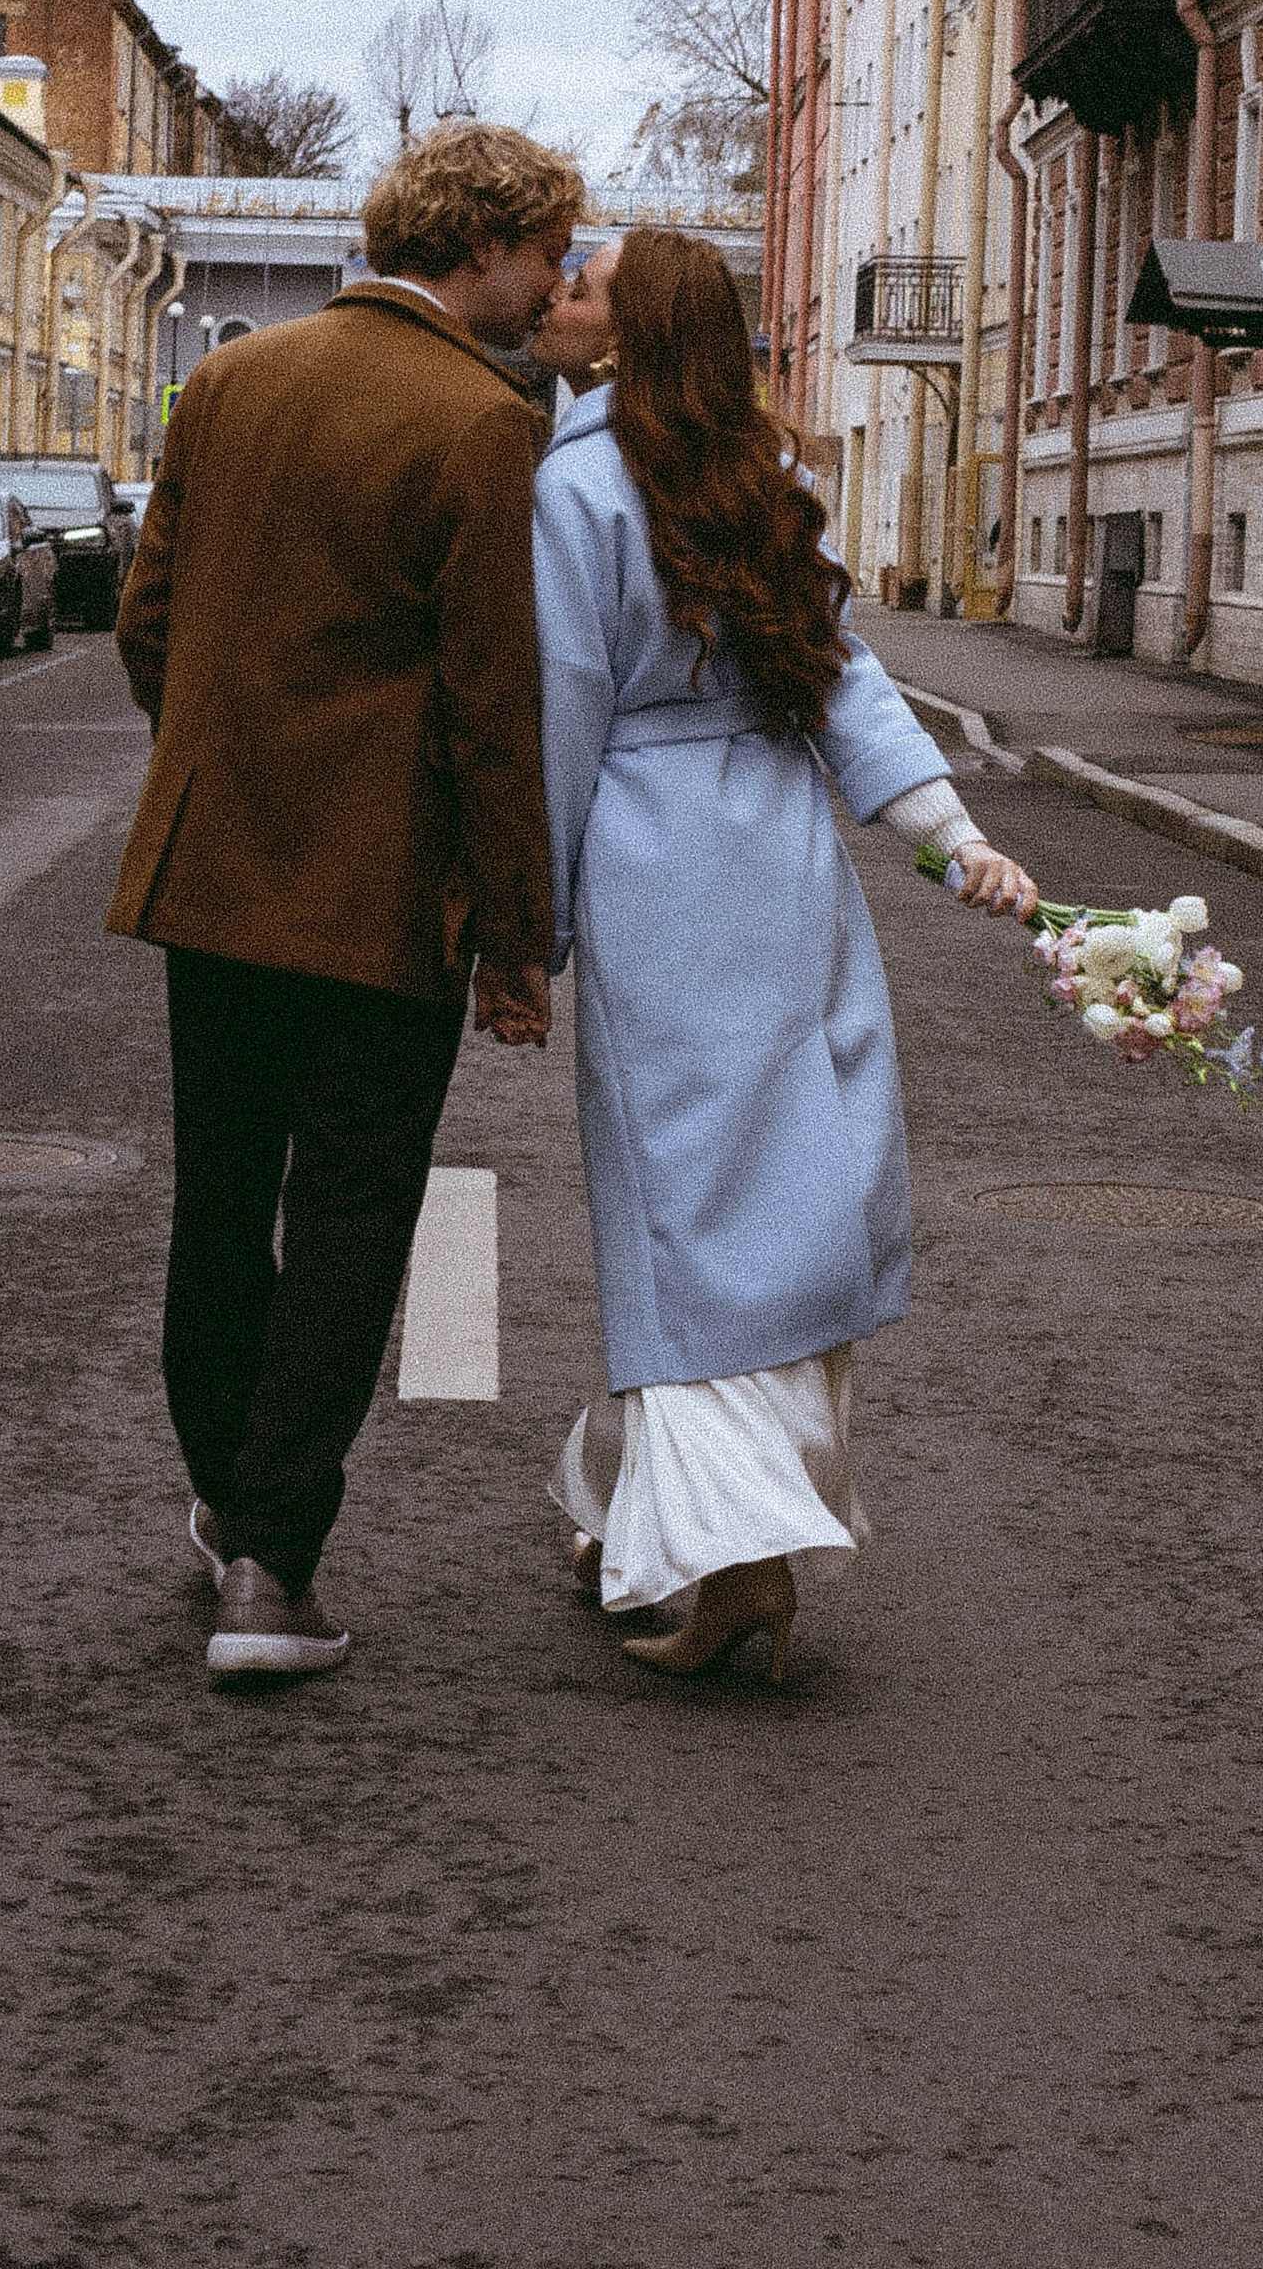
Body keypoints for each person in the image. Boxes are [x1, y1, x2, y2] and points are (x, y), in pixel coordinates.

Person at [109, 120, 587, 1688]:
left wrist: (224, 761)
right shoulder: (478, 420)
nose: (556, 285)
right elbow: (489, 705)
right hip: (382, 897)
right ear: (485, 246)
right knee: (351, 1218)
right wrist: (515, 934)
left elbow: (149, 621)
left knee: (220, 1196)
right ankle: (270, 1561)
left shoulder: (235, 380)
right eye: (547, 255)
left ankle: (221, 1497)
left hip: (215, 867)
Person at [531, 226, 1036, 1684]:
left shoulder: (575, 486)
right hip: (785, 852)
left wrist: (536, 921)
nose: (564, 300)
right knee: (791, 1179)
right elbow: (840, 672)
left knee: (681, 1206)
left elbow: (568, 704)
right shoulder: (774, 479)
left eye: (587, 287)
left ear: (626, 340)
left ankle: (734, 1557)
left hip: (649, 857)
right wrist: (947, 837)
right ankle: (645, 1506)